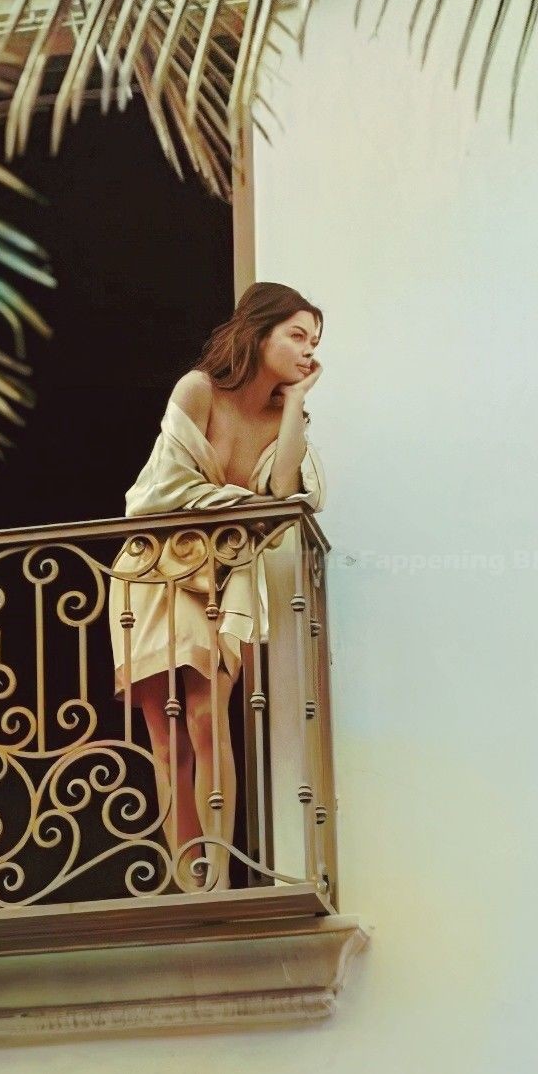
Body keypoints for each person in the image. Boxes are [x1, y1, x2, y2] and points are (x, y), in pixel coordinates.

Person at [107, 282, 325, 891]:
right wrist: (242, 505)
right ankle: (187, 881)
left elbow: (284, 495)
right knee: (167, 739)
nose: (309, 351)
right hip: (153, 570)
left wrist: (294, 404)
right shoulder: (198, 389)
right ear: (259, 333)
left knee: (208, 718)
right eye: (297, 335)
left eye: (314, 342)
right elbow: (161, 494)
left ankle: (217, 874)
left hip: (221, 582)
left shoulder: (283, 419)